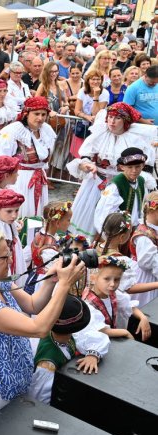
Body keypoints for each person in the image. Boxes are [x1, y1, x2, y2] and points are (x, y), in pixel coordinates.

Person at [0, 227, 86, 429]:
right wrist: (64, 285)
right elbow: (39, 328)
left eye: (9, 254)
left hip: (16, 378)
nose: (10, 261)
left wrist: (51, 281)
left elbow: (33, 305)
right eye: (4, 257)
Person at [67, 103, 153, 239]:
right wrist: (86, 165)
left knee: (116, 219)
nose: (112, 122)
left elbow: (144, 165)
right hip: (96, 183)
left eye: (117, 118)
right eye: (110, 117)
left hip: (122, 185)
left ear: (125, 121)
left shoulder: (135, 139)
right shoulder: (100, 134)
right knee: (89, 218)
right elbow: (85, 156)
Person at [27, 295, 109, 404]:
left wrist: (93, 355)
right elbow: (39, 397)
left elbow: (98, 338)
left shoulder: (70, 336)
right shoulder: (47, 364)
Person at [0, 97, 56, 218]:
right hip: (20, 179)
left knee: (37, 212)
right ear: (26, 113)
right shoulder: (15, 130)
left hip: (39, 177)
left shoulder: (46, 130)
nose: (40, 118)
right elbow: (1, 156)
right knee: (20, 212)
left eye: (43, 114)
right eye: (36, 114)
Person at [82, 255, 150, 341]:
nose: (112, 284)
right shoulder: (88, 303)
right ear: (93, 278)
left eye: (117, 279)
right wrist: (124, 332)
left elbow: (128, 306)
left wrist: (143, 317)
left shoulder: (114, 294)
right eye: (107, 279)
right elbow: (100, 329)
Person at [95, 148, 149, 233]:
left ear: (143, 165)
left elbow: (142, 206)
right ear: (122, 167)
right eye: (130, 167)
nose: (134, 171)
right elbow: (105, 212)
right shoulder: (115, 185)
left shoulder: (141, 181)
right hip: (119, 232)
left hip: (136, 230)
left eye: (138, 166)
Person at [129, 192, 158, 308]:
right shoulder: (144, 236)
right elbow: (149, 262)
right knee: (146, 307)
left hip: (152, 276)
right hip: (146, 278)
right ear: (153, 210)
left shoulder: (154, 230)